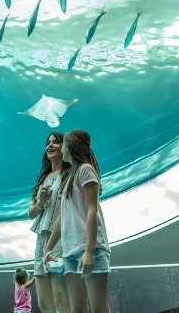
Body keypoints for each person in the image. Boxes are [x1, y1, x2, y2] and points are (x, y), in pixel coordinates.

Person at [44, 129, 111, 313]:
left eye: (63, 144)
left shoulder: (85, 170)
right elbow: (61, 217)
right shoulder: (69, 177)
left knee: (99, 308)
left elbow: (92, 210)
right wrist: (48, 248)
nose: (60, 148)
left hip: (91, 250)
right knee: (77, 309)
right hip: (70, 252)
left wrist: (89, 251)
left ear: (70, 147)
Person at [28, 132, 71, 313]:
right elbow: (31, 214)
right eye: (48, 142)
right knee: (44, 304)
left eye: (56, 142)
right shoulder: (42, 180)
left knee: (60, 297)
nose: (50, 145)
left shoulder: (70, 175)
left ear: (65, 147)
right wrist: (41, 201)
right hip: (41, 240)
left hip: (60, 239)